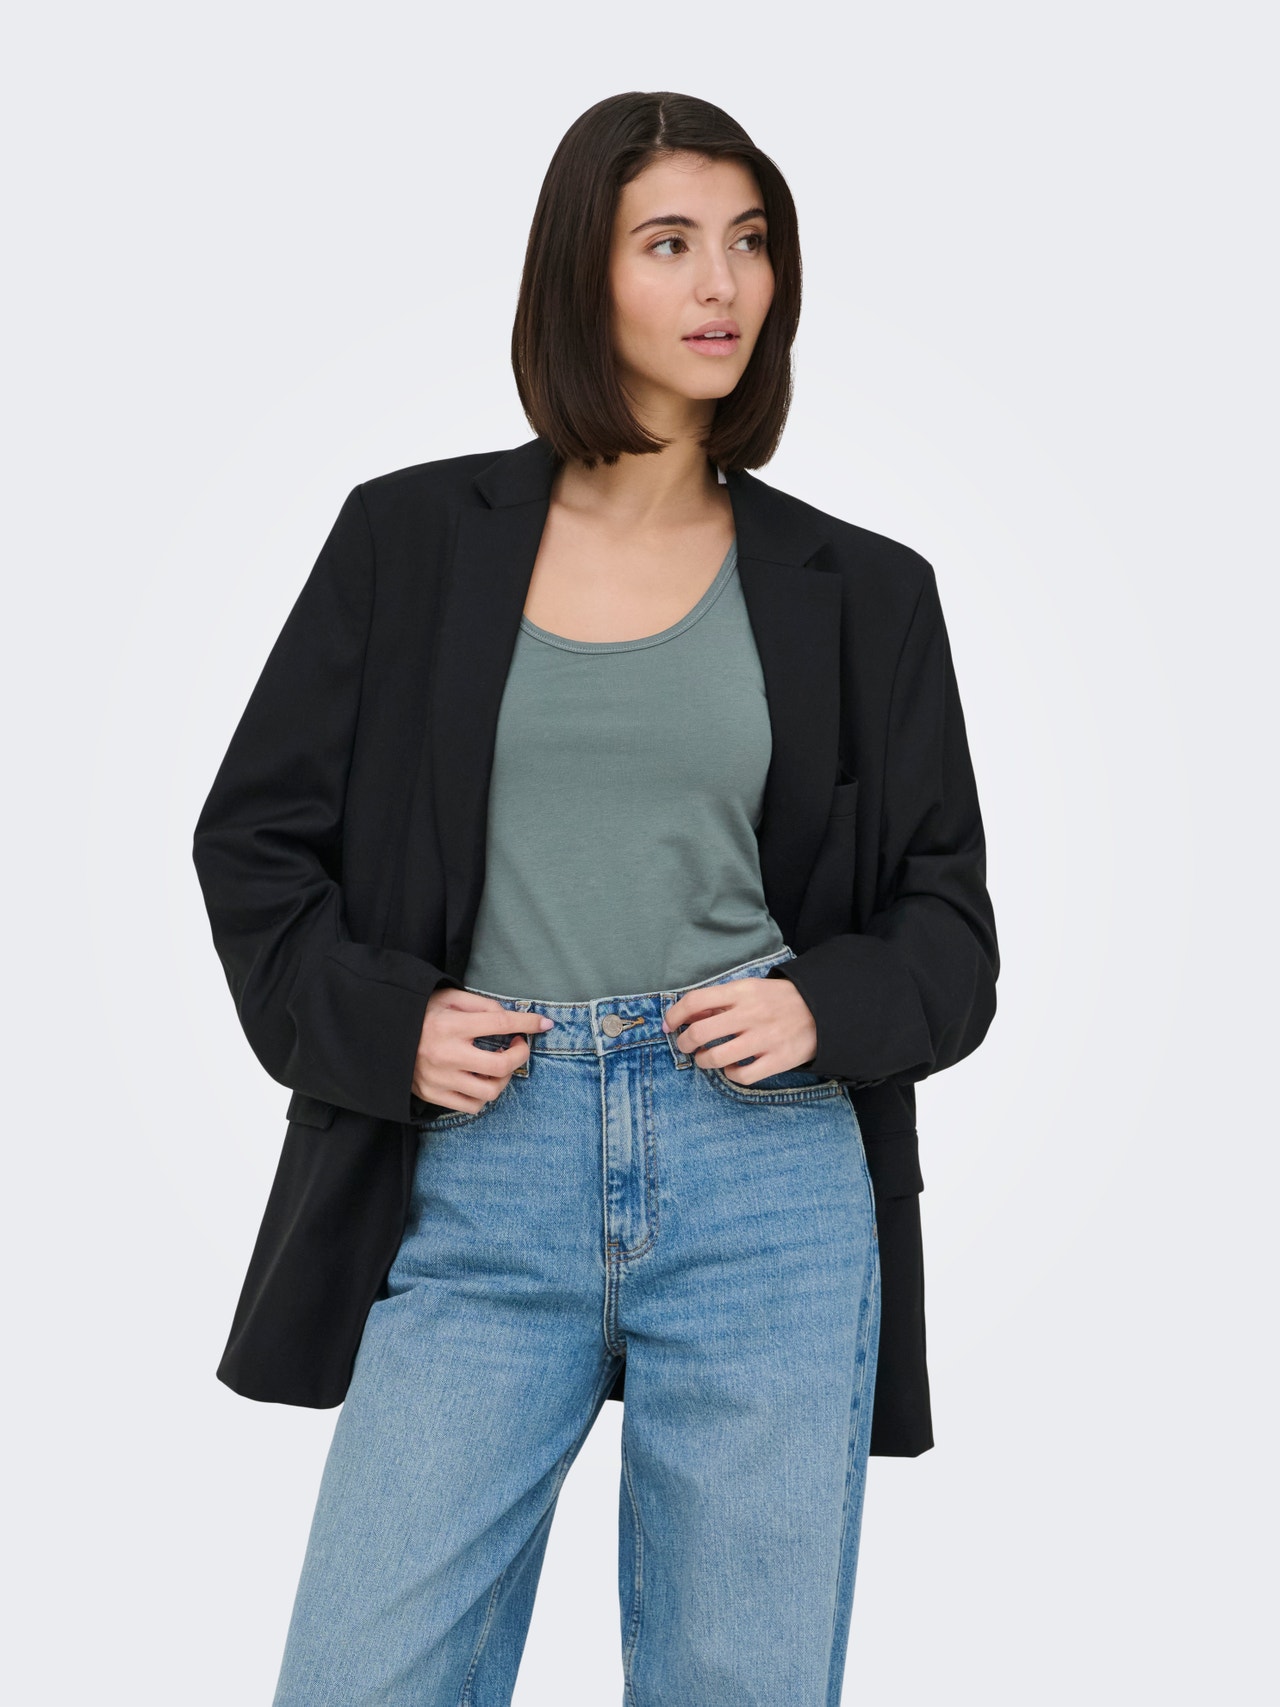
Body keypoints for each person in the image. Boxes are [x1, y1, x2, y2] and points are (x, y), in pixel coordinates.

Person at [193, 90, 999, 1707]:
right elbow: (255, 841)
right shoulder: (409, 540)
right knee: (362, 1674)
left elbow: (949, 929)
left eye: (750, 243)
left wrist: (819, 1009)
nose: (723, 283)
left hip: (766, 1177)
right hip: (483, 1166)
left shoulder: (867, 591)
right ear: (583, 271)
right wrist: (385, 1027)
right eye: (669, 243)